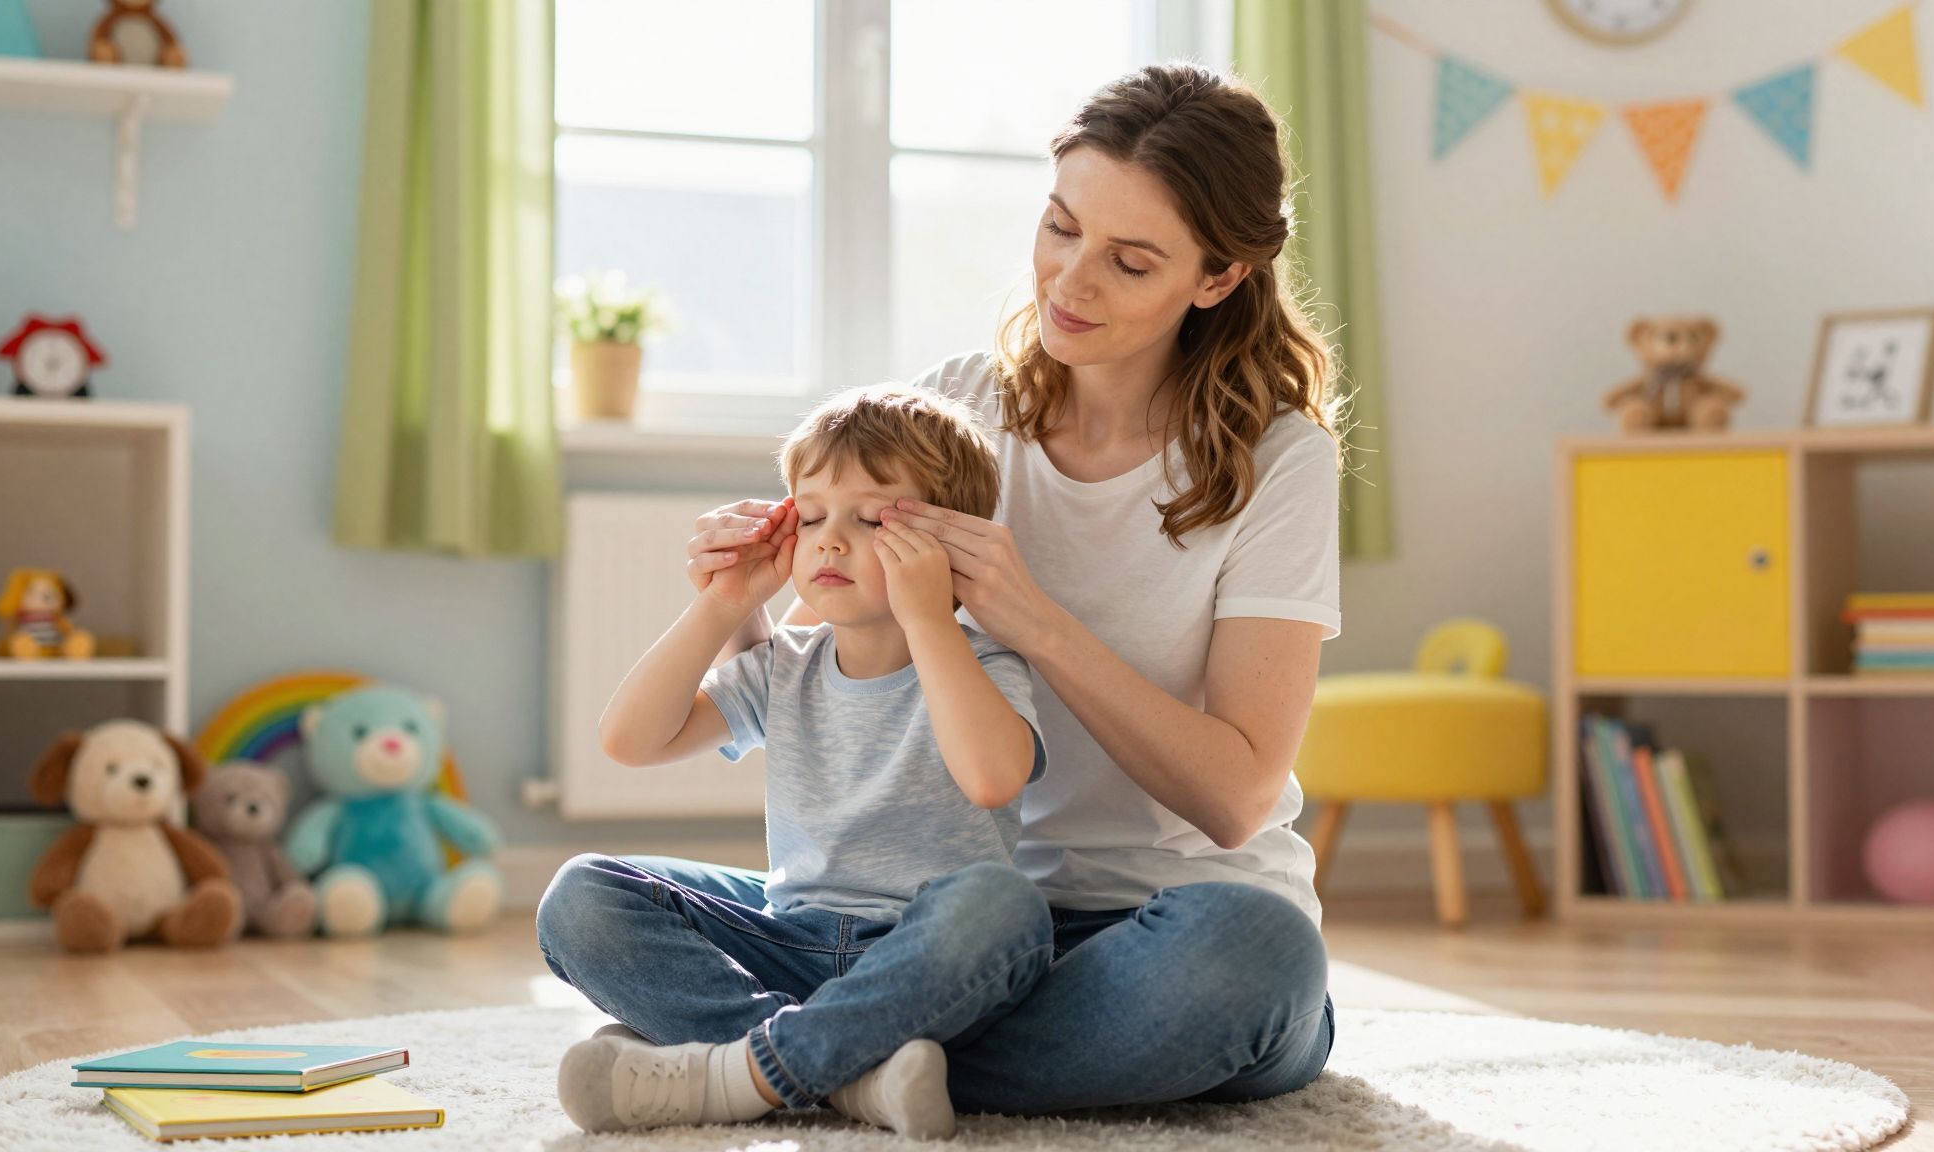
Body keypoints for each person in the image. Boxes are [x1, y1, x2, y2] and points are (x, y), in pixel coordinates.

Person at [540, 60, 1344, 1118]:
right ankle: (857, 1059)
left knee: (1253, 957)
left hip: (1159, 928)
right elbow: (830, 662)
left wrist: (1035, 623)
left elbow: (1235, 799)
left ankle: (783, 1057)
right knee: (588, 906)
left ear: (1216, 277)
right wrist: (733, 597)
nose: (1069, 281)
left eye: (1128, 261)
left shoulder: (1273, 460)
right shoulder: (960, 403)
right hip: (927, 921)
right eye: (1059, 228)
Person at [547, 384, 1051, 1138]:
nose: (831, 540)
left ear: (946, 538)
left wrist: (925, 613)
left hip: (917, 960)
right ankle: (850, 1078)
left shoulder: (985, 664)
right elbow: (630, 740)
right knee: (580, 897)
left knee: (1005, 909)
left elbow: (990, 777)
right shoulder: (784, 663)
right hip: (790, 939)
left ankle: (738, 1075)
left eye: (872, 519)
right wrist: (721, 605)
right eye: (811, 516)